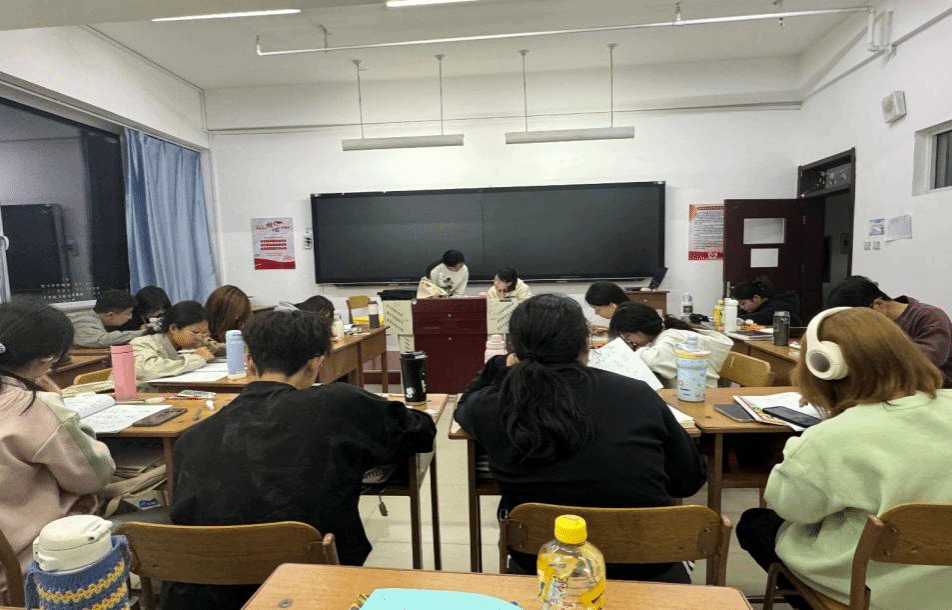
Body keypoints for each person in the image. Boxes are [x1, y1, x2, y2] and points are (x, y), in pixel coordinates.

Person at [166, 309, 436, 609]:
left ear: (249, 362)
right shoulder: (337, 403)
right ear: (315, 363)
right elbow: (421, 431)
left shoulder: (190, 439)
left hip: (203, 598)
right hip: (310, 591)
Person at [454, 294, 706, 582]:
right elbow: (688, 480)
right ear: (584, 343)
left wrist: (502, 363)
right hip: (648, 565)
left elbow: (465, 404)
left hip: (541, 565)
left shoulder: (492, 404)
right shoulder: (636, 393)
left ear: (516, 348)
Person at [736, 307, 952, 610]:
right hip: (944, 590)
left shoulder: (831, 437)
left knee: (755, 523)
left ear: (822, 367)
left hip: (872, 592)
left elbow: (791, 507)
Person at [0, 303, 115, 592]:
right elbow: (93, 475)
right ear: (47, 360)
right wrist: (63, 411)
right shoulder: (33, 407)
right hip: (24, 564)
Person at [826, 275, 952, 388]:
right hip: (890, 392)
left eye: (858, 321)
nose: (856, 329)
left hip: (936, 392)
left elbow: (922, 363)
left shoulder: (931, 318)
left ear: (879, 305)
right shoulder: (873, 325)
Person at [609, 301, 733, 388]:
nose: (630, 341)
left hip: (701, 397)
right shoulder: (663, 334)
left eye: (628, 336)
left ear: (641, 329)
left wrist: (627, 353)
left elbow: (653, 360)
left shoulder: (670, 337)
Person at [131, 301, 215, 386]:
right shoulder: (142, 344)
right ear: (173, 328)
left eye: (205, 332)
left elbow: (215, 347)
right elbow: (148, 370)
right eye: (195, 332)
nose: (200, 337)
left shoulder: (187, 342)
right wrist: (197, 358)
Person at [67, 288, 144, 347]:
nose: (130, 318)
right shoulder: (85, 321)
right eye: (128, 314)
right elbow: (103, 340)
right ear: (110, 315)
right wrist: (144, 332)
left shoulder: (94, 318)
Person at [730, 276, 802, 326]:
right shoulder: (756, 307)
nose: (741, 307)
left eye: (743, 304)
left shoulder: (778, 306)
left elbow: (760, 318)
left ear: (756, 298)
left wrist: (735, 318)